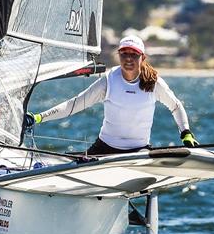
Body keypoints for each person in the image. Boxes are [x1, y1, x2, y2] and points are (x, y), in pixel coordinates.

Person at [25, 35, 198, 155]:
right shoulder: (109, 80)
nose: (128, 58)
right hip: (105, 148)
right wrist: (39, 117)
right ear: (119, 55)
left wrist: (185, 132)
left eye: (133, 54)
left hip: (138, 151)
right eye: (124, 54)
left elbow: (175, 106)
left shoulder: (153, 83)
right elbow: (75, 104)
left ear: (142, 57)